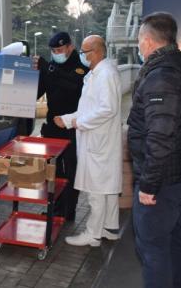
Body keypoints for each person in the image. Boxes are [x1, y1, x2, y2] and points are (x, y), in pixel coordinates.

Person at [127, 12, 181, 287]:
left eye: (139, 41)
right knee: (177, 243)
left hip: (162, 182)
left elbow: (160, 137)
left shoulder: (161, 77)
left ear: (148, 41)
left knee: (154, 253)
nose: (139, 47)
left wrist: (149, 186)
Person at [55, 35, 122, 247]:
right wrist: (66, 120)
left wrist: (77, 123)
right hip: (97, 139)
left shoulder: (105, 75)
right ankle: (109, 228)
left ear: (97, 52)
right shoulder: (96, 74)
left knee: (97, 190)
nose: (82, 56)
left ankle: (93, 234)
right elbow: (87, 108)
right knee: (107, 188)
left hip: (98, 141)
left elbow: (107, 109)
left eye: (85, 52)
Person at [35, 31, 88, 221]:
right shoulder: (50, 68)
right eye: (53, 50)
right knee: (53, 171)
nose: (56, 53)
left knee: (71, 171)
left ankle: (68, 210)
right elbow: (36, 92)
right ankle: (55, 208)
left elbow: (72, 85)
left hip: (72, 129)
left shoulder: (81, 67)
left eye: (59, 49)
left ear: (70, 47)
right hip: (52, 128)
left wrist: (48, 68)